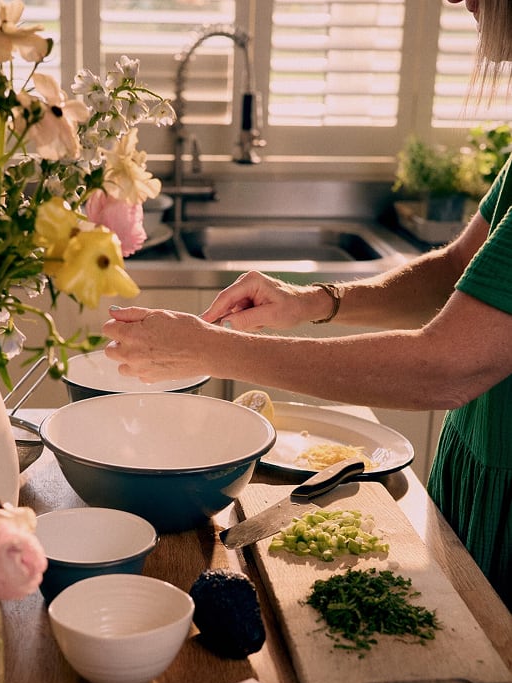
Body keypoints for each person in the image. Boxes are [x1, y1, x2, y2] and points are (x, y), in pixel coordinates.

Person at [102, 0, 512, 610]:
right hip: (475, 468)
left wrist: (211, 348)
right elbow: (457, 270)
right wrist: (315, 301)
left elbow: (448, 365)